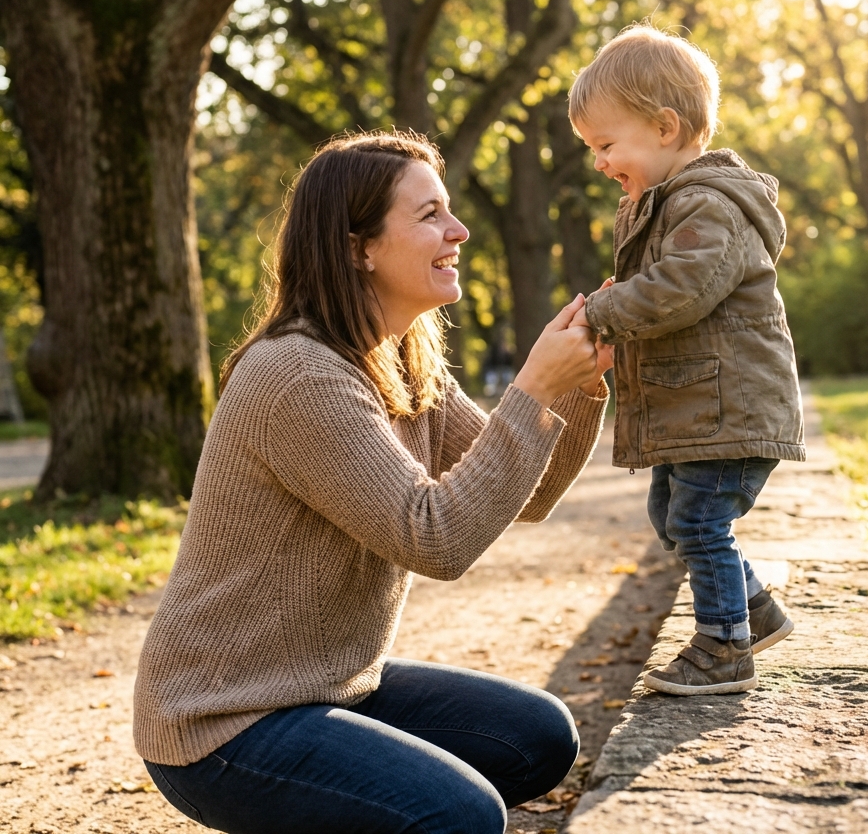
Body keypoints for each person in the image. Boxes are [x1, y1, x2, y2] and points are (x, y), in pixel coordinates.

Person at [133, 131, 613, 834]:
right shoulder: (299, 373)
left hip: (331, 687)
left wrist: (576, 386)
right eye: (430, 216)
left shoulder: (403, 358)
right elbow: (437, 538)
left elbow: (527, 494)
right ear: (359, 247)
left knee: (538, 737)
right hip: (222, 722)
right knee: (461, 818)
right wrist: (533, 387)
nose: (460, 230)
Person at [567, 23, 805, 696]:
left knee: (699, 522)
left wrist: (603, 311)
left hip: (726, 405)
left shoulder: (707, 203)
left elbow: (682, 289)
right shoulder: (666, 203)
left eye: (606, 145)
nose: (598, 162)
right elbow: (667, 286)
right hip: (699, 405)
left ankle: (723, 649)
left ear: (666, 127)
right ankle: (753, 612)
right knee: (673, 518)